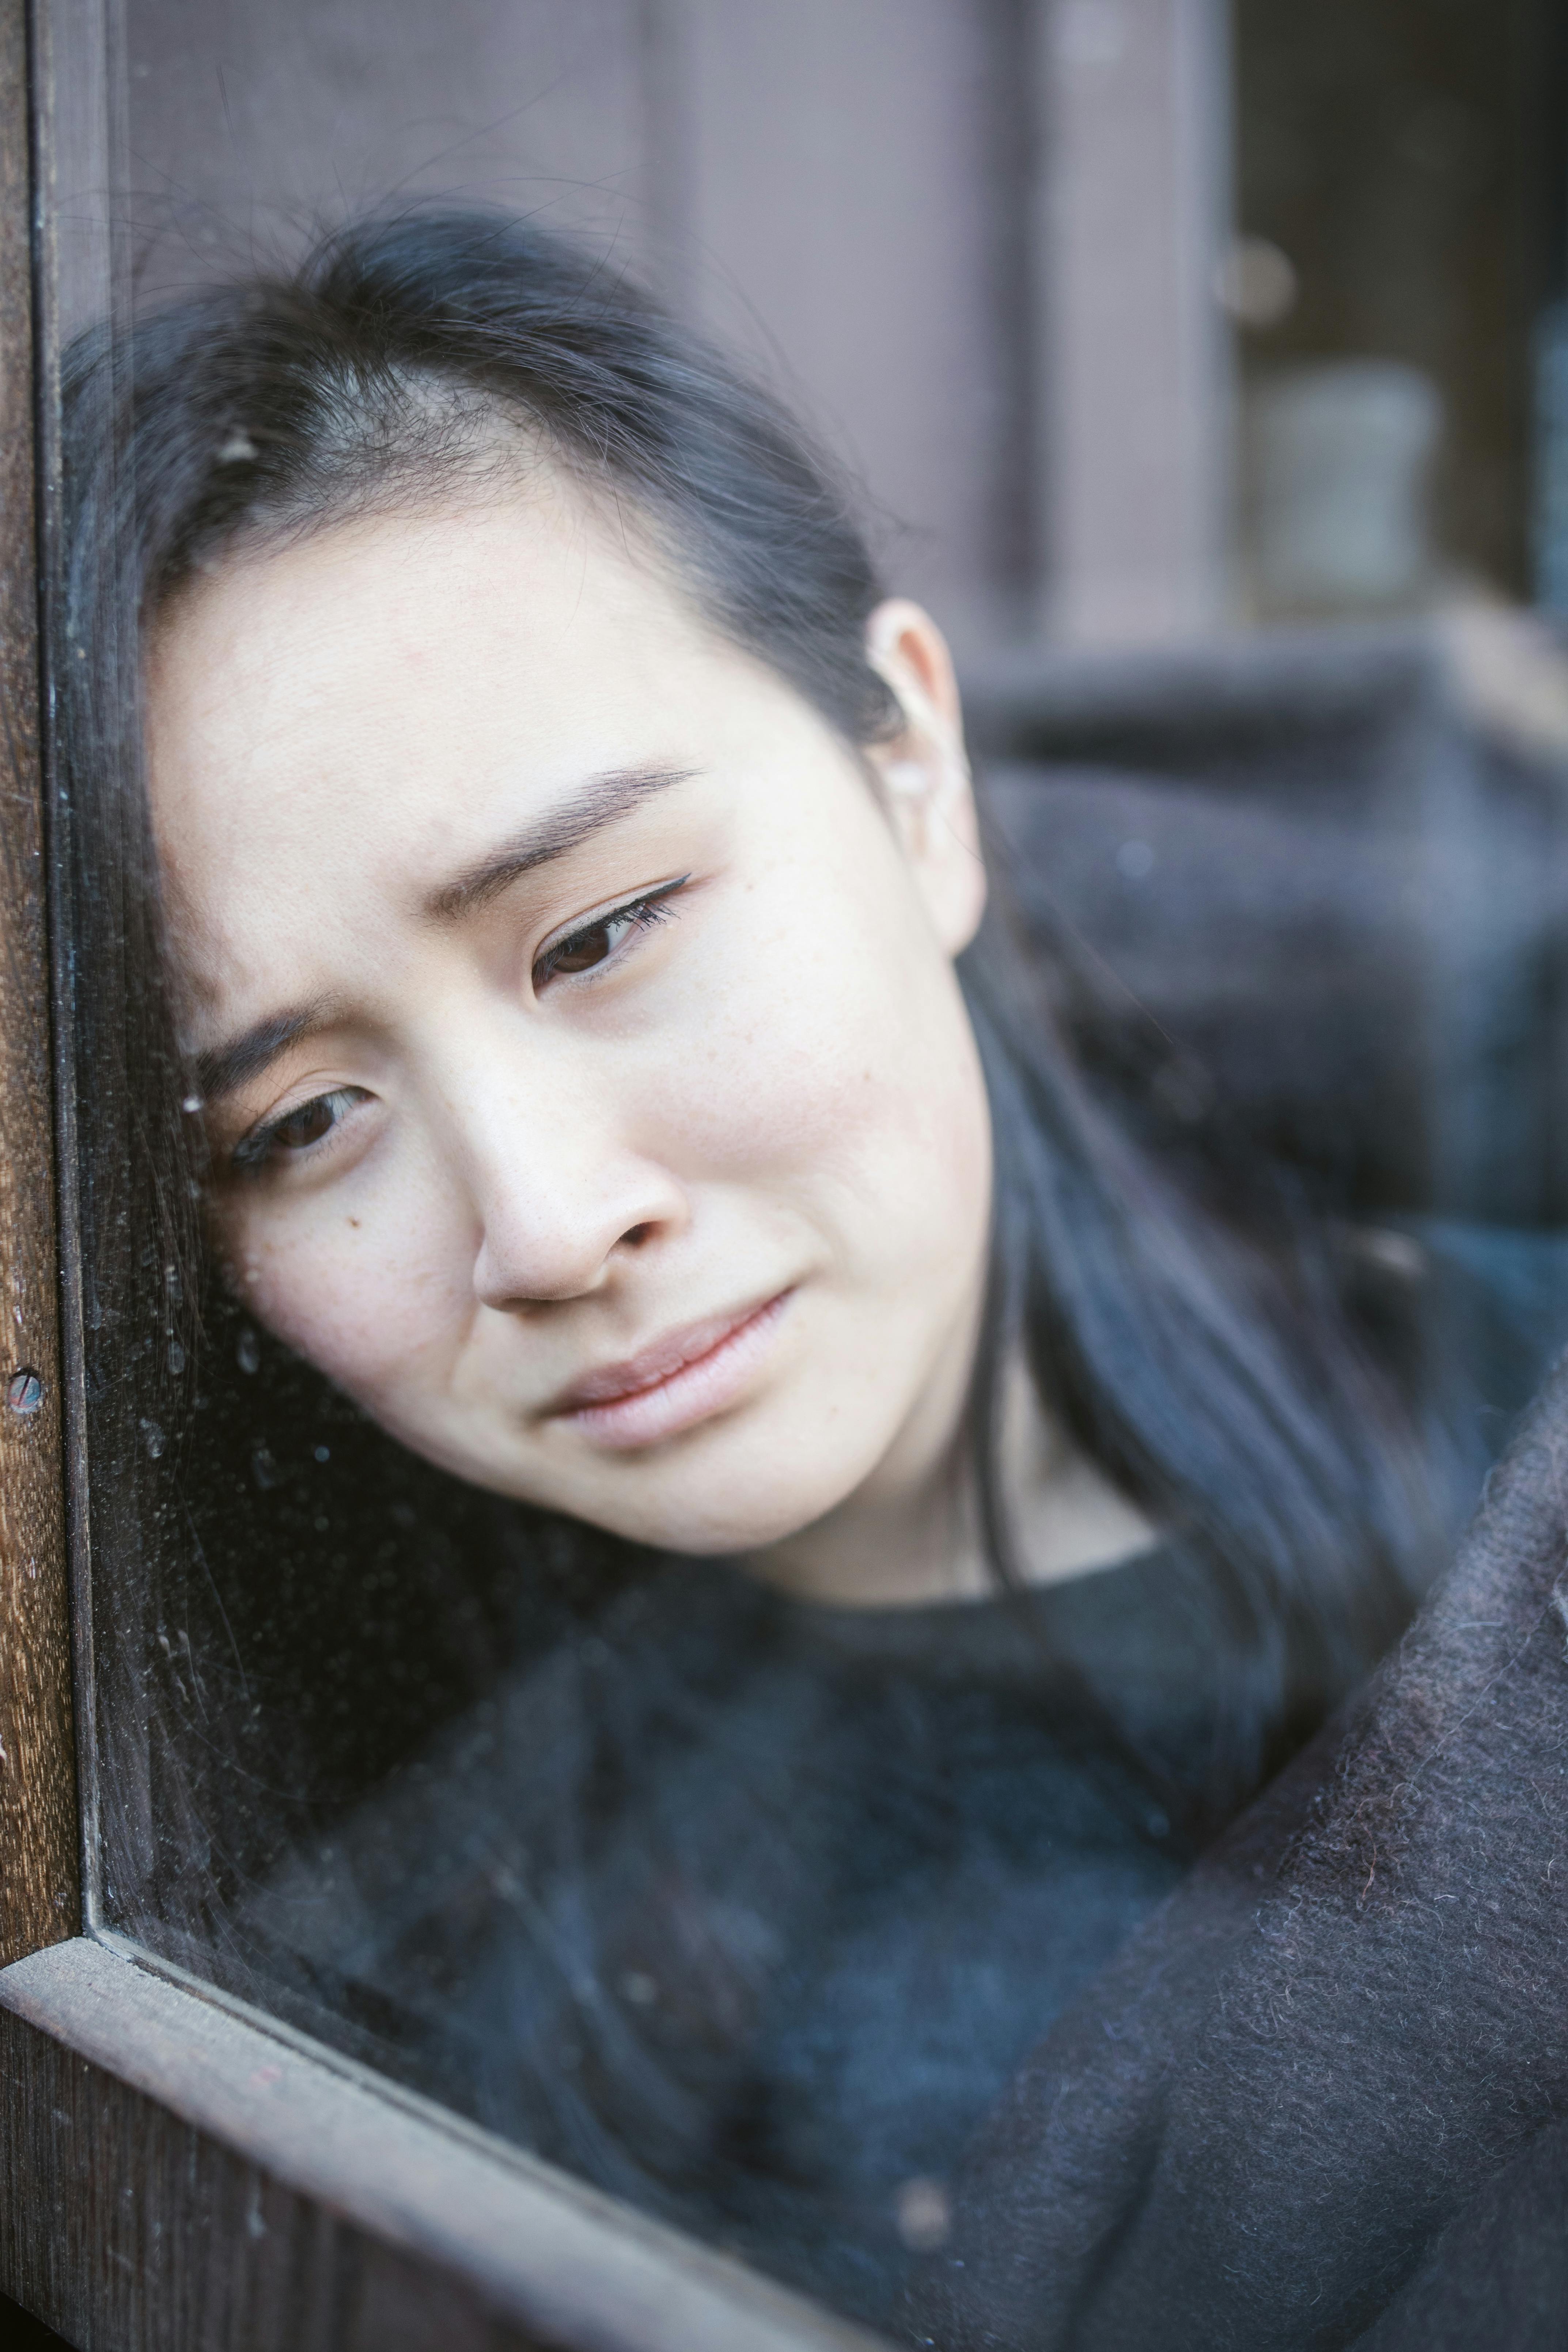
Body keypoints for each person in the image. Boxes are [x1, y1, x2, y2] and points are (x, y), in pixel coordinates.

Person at [57, 208, 1568, 2334]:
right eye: (299, 1125)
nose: (550, 1220)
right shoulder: (404, 2010)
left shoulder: (1531, 1433)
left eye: (599, 930)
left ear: (912, 778)